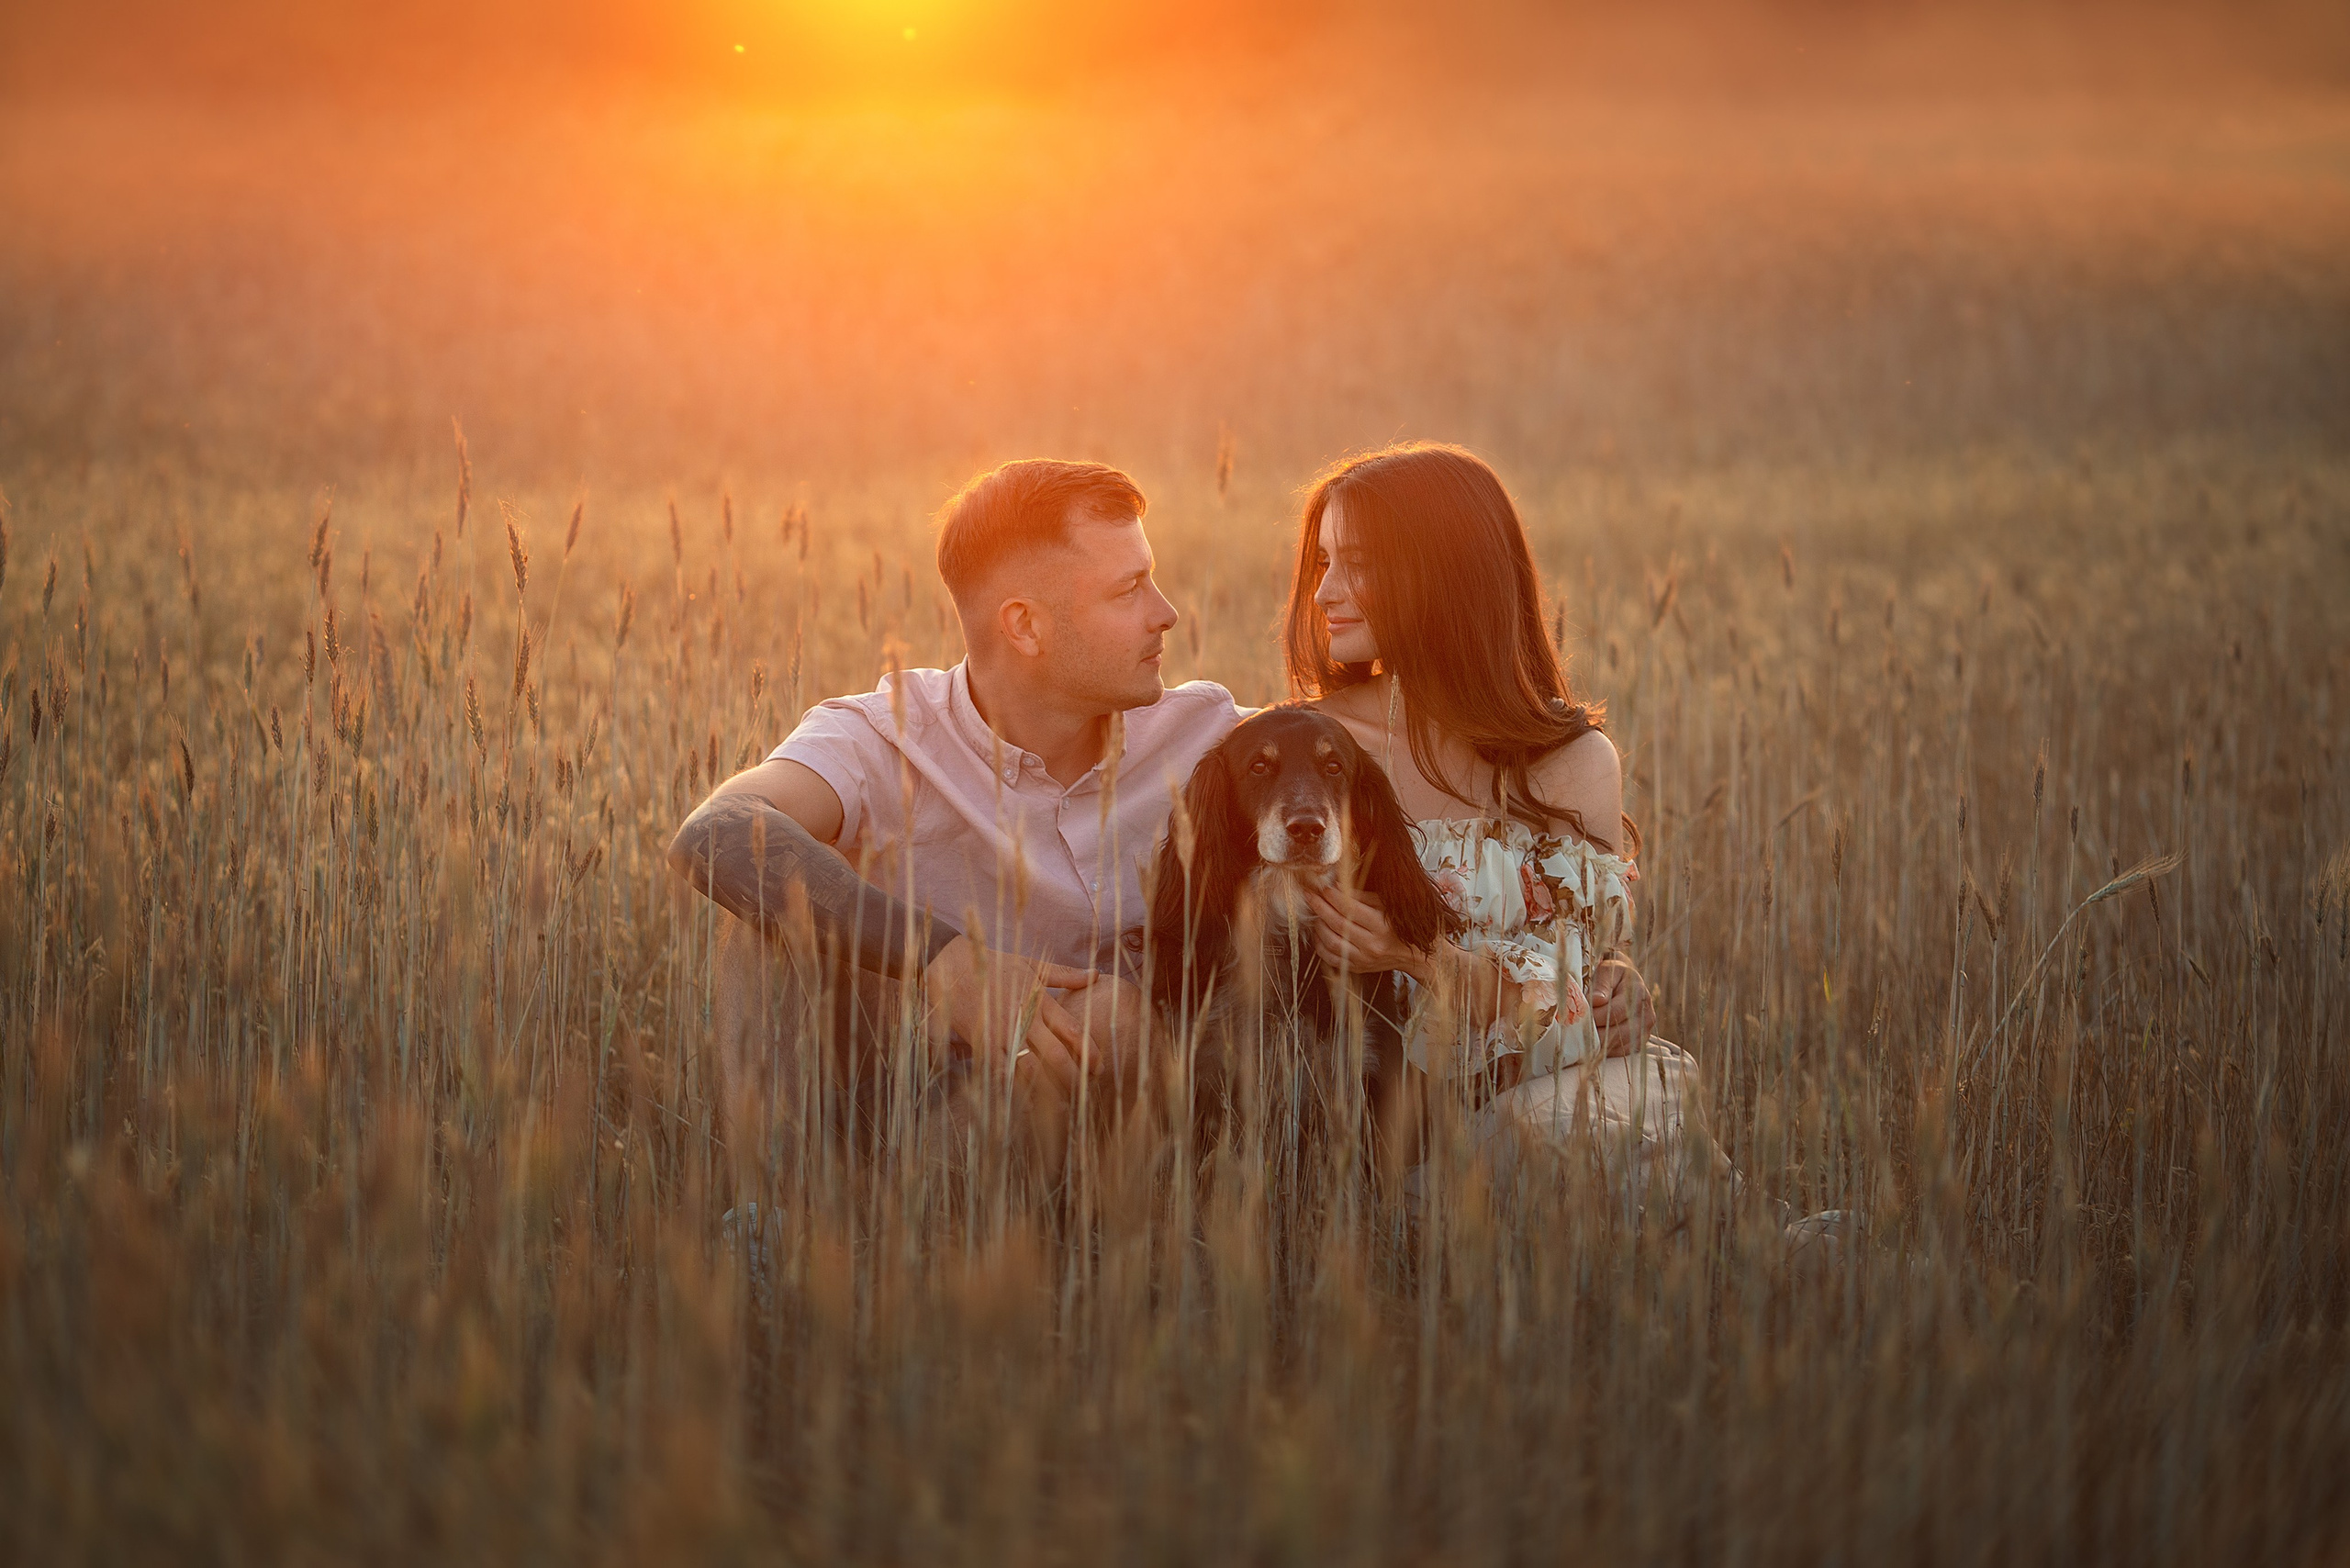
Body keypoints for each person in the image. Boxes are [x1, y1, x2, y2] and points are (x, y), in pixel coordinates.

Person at [666, 459, 1237, 1166]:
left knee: (1117, 1019)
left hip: (1070, 1106)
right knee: (765, 908)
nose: (1166, 612)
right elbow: (716, 832)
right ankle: (777, 1223)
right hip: (881, 1087)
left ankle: (902, 1235)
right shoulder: (882, 736)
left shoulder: (1211, 738)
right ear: (1024, 626)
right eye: (1129, 590)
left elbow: (1374, 758)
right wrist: (945, 958)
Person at [1283, 442, 1723, 1212]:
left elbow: (1580, 989)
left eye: (1358, 564)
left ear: (1447, 574)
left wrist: (1614, 981)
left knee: (1607, 1147)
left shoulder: (1571, 761)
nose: (1325, 593)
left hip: (1575, 1098)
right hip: (1396, 1128)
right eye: (1322, 563)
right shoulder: (1313, 753)